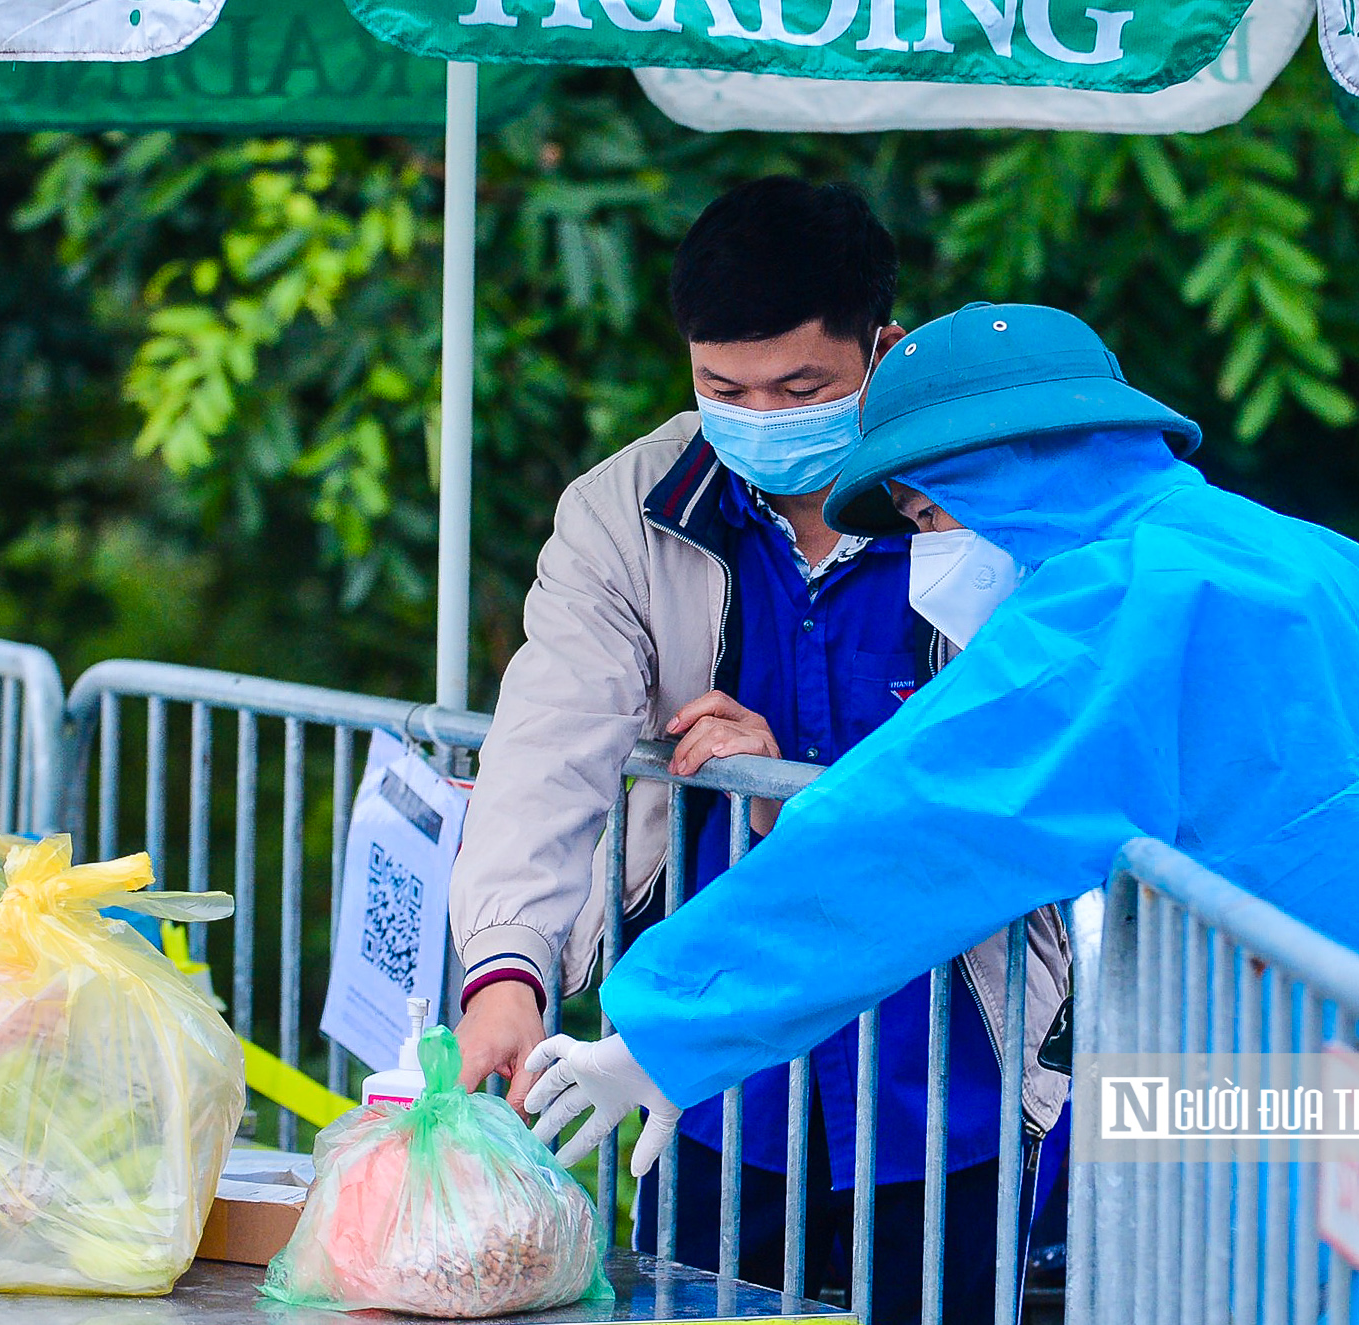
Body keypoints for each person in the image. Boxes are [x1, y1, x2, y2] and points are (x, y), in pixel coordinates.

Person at [526, 301, 1359, 1241]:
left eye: (926, 520)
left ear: (988, 472)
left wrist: (665, 1025)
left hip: (1337, 1123)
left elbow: (905, 830)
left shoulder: (1117, 603)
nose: (929, 559)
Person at [448, 187, 1069, 1317]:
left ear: (883, 350)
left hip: (948, 1059)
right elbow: (547, 745)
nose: (761, 418)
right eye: (723, 391)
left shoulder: (981, 507)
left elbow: (1025, 768)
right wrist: (504, 964)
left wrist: (806, 798)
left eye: (801, 389)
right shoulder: (624, 512)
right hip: (710, 1076)